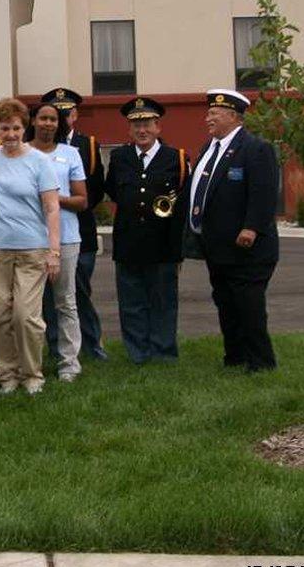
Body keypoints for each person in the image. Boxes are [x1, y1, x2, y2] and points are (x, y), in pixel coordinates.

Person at [186, 89, 281, 372]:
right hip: (217, 248)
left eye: (213, 114)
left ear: (232, 116)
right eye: (208, 113)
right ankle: (235, 356)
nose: (207, 119)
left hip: (247, 249)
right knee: (226, 304)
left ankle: (262, 363)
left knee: (249, 307)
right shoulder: (209, 148)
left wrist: (251, 227)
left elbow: (263, 194)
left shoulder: (255, 148)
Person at [0, 98, 60, 395]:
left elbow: (51, 208)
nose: (10, 134)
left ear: (25, 128)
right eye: (4, 128)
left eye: (16, 128)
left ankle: (31, 373)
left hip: (32, 250)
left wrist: (54, 251)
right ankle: (6, 375)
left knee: (26, 316)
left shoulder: (39, 161)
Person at [104, 97, 187, 363]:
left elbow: (181, 201)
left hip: (163, 244)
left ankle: (163, 352)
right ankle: (137, 353)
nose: (142, 130)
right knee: (131, 303)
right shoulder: (120, 157)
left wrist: (179, 248)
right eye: (136, 125)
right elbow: (114, 191)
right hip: (128, 242)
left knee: (163, 301)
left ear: (158, 127)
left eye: (147, 124)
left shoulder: (176, 158)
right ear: (129, 129)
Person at [41, 87, 107, 361]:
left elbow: (95, 192)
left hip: (78, 230)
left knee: (78, 294)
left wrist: (57, 200)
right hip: (42, 234)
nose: (63, 118)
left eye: (67, 113)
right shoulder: (33, 148)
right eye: (57, 113)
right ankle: (56, 349)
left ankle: (92, 347)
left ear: (75, 115)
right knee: (49, 300)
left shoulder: (86, 145)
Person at [29, 103, 88, 382]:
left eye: (53, 119)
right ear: (33, 121)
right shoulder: (22, 151)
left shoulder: (71, 154)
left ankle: (69, 363)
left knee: (65, 303)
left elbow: (81, 200)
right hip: (28, 240)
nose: (48, 123)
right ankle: (33, 363)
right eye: (43, 118)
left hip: (65, 239)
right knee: (31, 307)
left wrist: (51, 198)